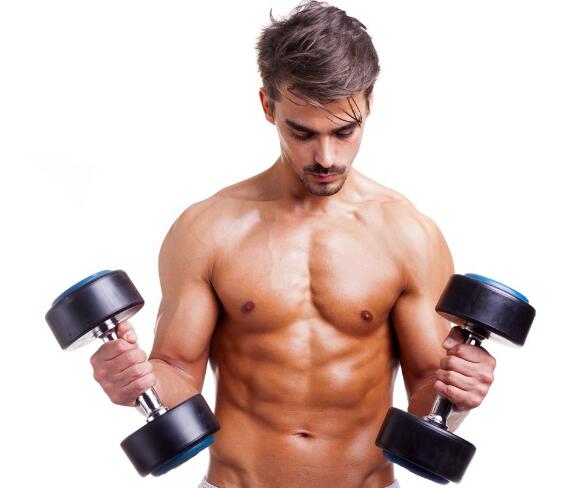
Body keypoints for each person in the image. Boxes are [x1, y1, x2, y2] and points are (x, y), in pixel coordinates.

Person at [89, 2, 496, 487]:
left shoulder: (407, 235)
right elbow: (177, 369)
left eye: (344, 131)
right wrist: (137, 380)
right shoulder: (208, 229)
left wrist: (460, 392)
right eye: (301, 132)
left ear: (368, 103)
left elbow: (429, 390)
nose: (325, 157)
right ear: (268, 107)